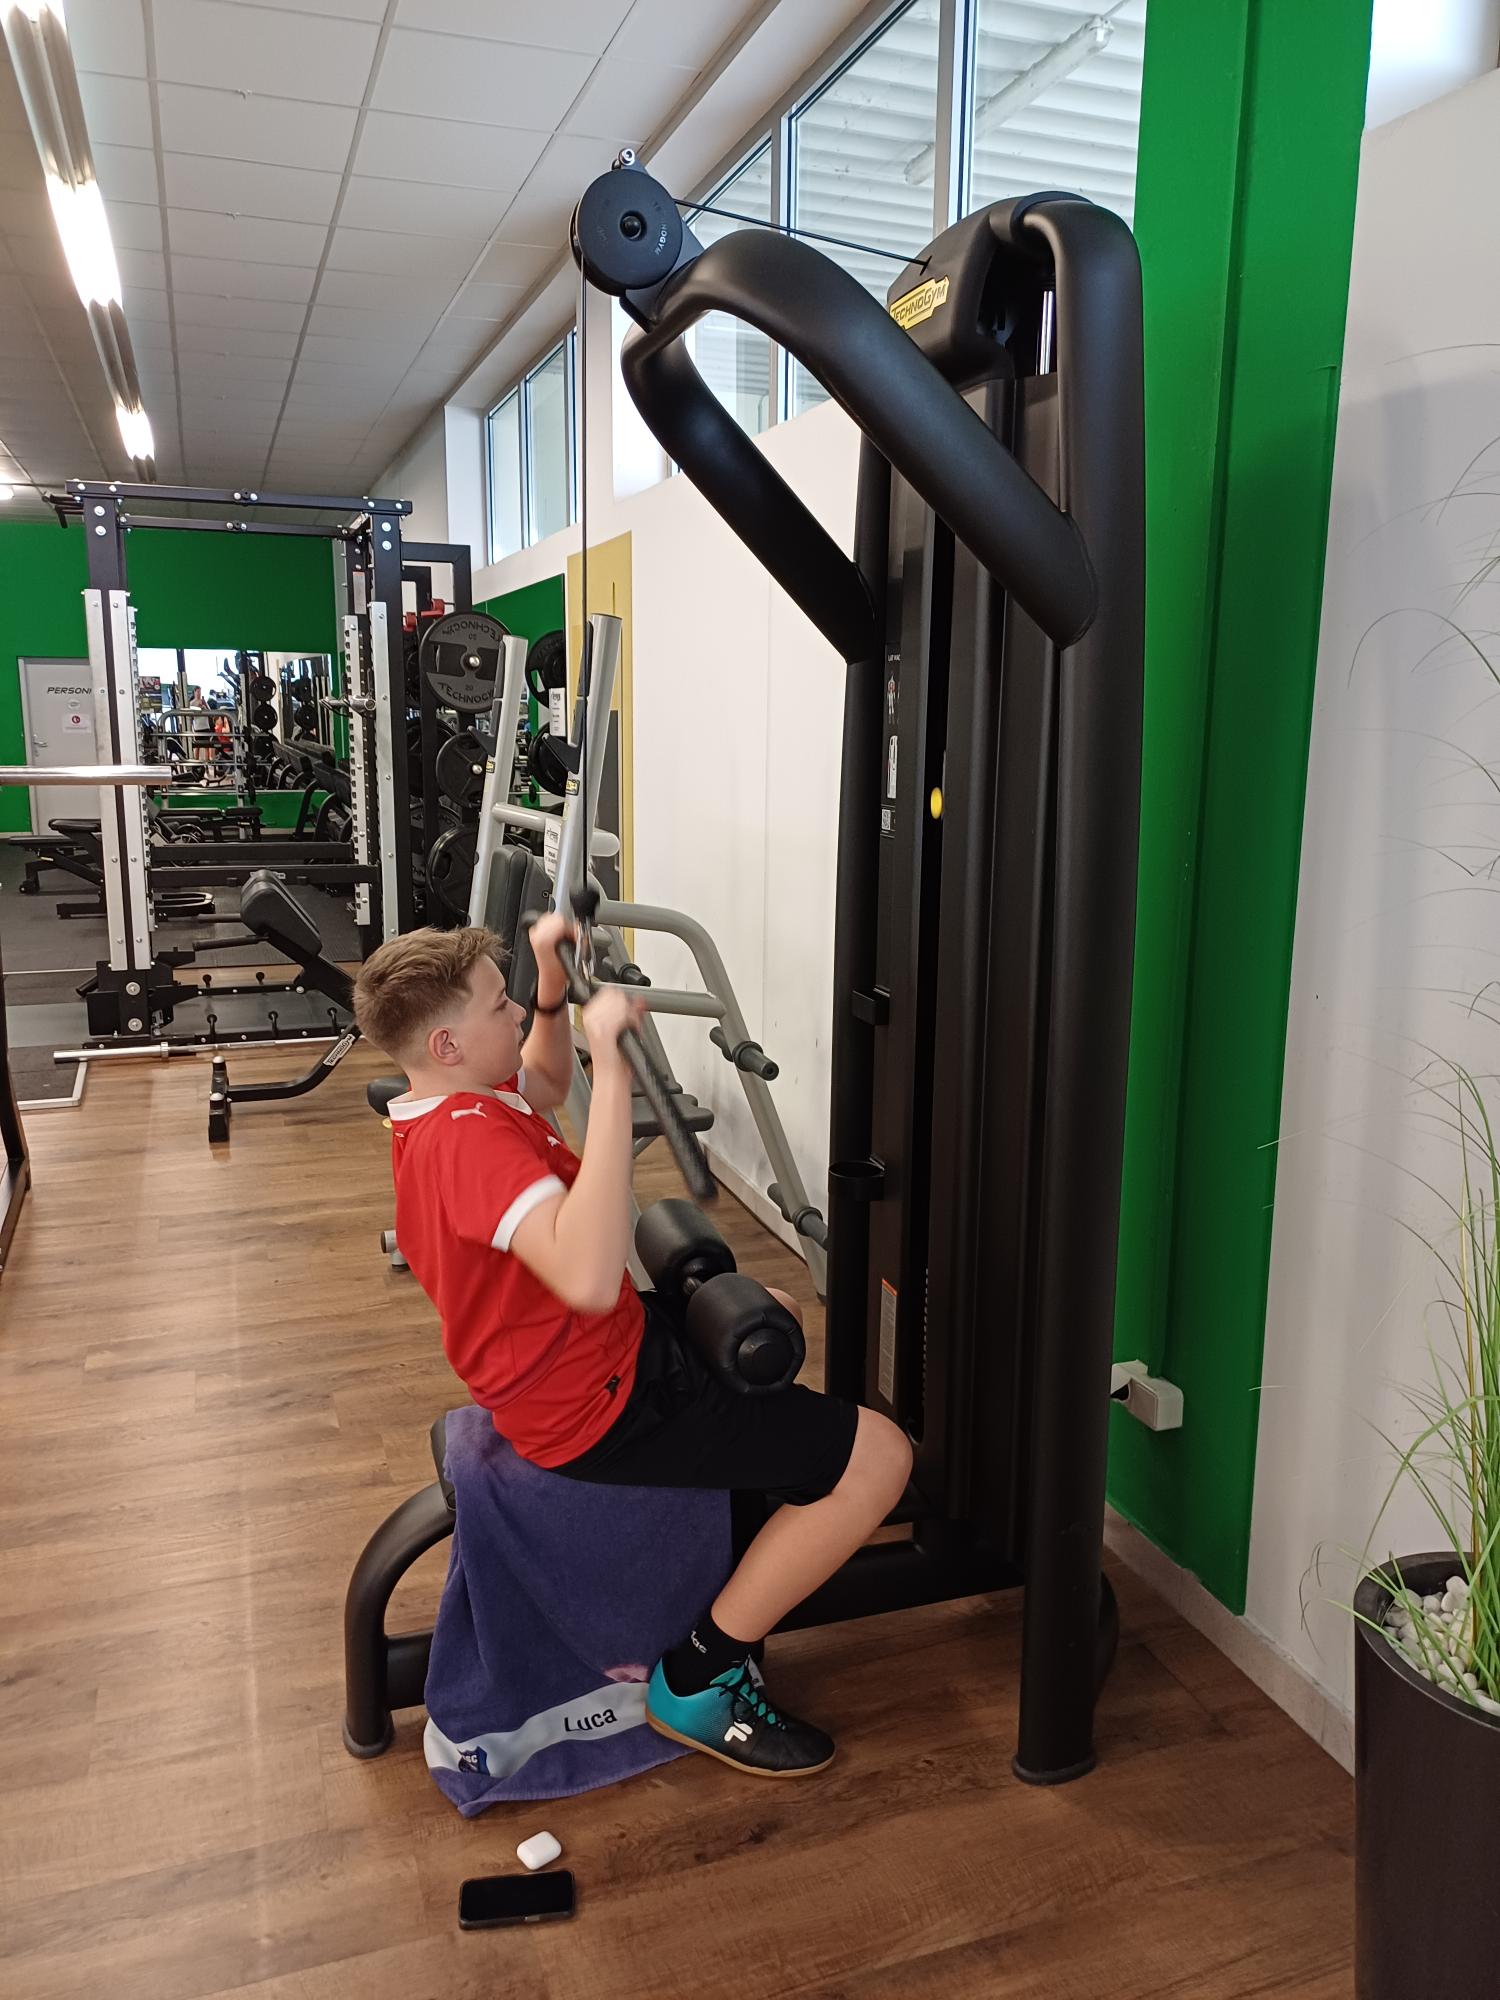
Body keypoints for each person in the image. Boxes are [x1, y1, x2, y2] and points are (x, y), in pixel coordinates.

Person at [352, 918, 912, 1779]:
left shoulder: (452, 1099)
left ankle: (759, 1530)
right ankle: (700, 1676)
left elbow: (543, 1080)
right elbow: (584, 1273)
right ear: (447, 1044)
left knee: (770, 1314)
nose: (516, 1016)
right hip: (597, 1405)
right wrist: (613, 1071)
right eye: (499, 1006)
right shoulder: (467, 1141)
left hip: (587, 1356)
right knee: (881, 1459)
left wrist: (549, 986)